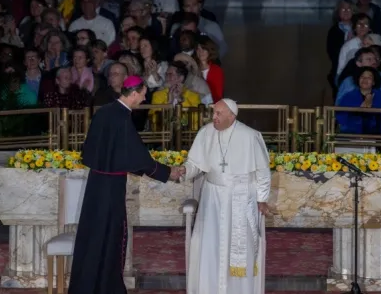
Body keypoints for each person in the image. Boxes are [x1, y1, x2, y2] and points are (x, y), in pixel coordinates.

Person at [68, 76, 185, 294]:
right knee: (110, 239)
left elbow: (101, 150)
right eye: (143, 94)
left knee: (93, 237)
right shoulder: (122, 118)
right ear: (133, 93)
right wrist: (168, 173)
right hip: (111, 188)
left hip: (96, 184)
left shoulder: (104, 111)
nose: (144, 98)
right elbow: (138, 157)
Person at [183, 99, 271, 294]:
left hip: (241, 197)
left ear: (232, 116)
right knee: (210, 245)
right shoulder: (205, 133)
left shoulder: (250, 136)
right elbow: (195, 164)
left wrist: (262, 198)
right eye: (214, 113)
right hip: (212, 197)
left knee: (241, 248)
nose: (214, 117)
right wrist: (183, 170)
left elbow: (262, 171)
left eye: (219, 114)